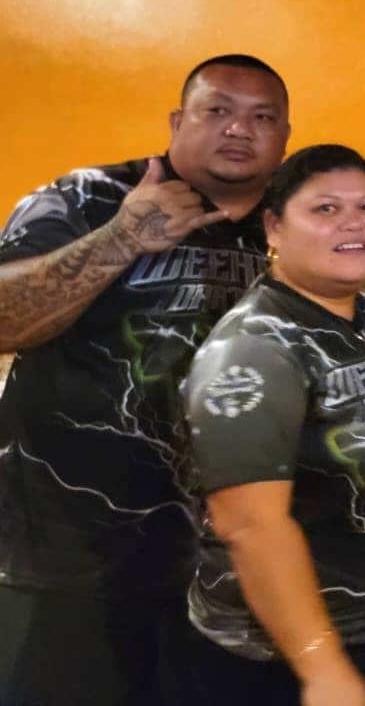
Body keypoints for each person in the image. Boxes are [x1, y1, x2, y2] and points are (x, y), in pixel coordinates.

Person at [0, 53, 291, 704]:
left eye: (262, 117)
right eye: (218, 110)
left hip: (231, 573)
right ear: (176, 120)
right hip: (70, 560)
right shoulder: (91, 198)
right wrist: (121, 239)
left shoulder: (297, 227)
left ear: (285, 138)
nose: (240, 129)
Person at [170, 144, 365, 705]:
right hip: (278, 646)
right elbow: (250, 525)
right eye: (325, 209)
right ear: (274, 227)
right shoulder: (253, 348)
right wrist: (320, 666)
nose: (353, 222)